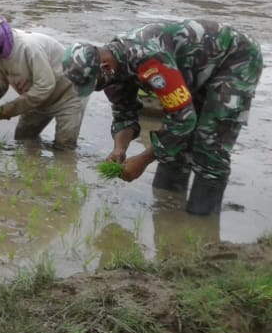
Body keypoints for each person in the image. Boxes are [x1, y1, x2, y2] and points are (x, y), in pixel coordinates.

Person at [62, 20, 263, 215]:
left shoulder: (148, 60)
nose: (97, 89)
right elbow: (124, 114)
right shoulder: (111, 74)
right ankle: (168, 214)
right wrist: (119, 148)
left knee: (210, 147)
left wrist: (142, 160)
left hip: (234, 59)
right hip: (190, 71)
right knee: (174, 151)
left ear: (105, 67)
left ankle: (203, 226)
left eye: (95, 83)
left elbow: (183, 120)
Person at [0, 6, 87, 150]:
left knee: (64, 147)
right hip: (36, 100)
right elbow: (1, 81)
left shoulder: (28, 47)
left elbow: (45, 85)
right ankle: (33, 169)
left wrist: (11, 108)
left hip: (67, 96)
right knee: (23, 139)